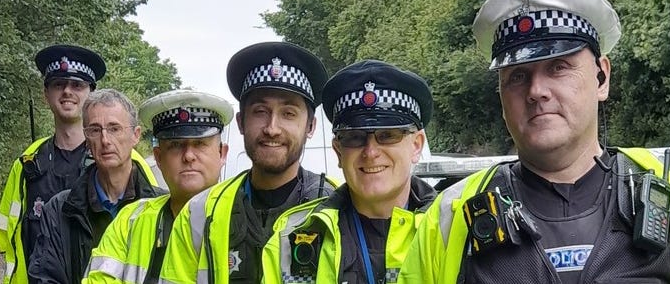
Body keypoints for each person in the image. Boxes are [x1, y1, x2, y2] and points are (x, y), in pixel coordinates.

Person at [399, 0, 670, 283]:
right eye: (518, 76)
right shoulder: (448, 217)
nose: (536, 90)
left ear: (602, 77)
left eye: (559, 67)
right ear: (502, 95)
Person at [159, 42, 339, 283]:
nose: (272, 128)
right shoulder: (199, 213)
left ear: (310, 126)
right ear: (241, 122)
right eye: (260, 111)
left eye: (288, 113)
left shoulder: (338, 207)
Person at [260, 60, 437, 283]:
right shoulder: (290, 242)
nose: (371, 152)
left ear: (416, 145)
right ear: (338, 151)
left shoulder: (454, 228)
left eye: (388, 135)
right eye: (355, 137)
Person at [0, 45, 158, 284]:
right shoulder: (28, 164)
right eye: (58, 84)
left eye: (78, 85)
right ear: (46, 94)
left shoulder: (130, 162)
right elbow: (9, 238)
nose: (67, 92)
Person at [84, 90, 234, 283]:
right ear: (158, 157)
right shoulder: (130, 222)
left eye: (199, 143)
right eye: (176, 145)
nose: (188, 155)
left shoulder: (245, 220)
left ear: (222, 153)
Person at [27, 88, 166, 283]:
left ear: (135, 135)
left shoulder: (162, 208)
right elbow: (44, 278)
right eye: (94, 130)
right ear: (86, 139)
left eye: (114, 128)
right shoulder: (59, 210)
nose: (105, 140)